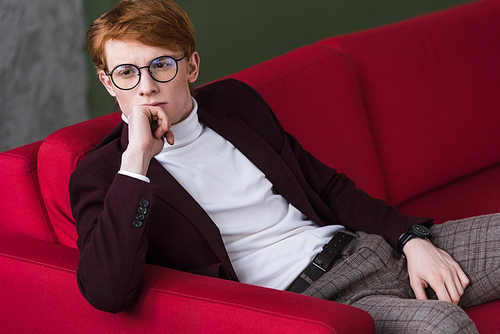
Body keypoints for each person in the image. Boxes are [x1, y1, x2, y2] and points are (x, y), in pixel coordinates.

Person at [70, 0, 500, 332]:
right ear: (108, 82)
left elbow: (326, 186)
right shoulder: (107, 174)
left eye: (161, 65)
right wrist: (137, 161)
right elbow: (107, 291)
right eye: (126, 73)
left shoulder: (236, 105)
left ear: (192, 66)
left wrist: (411, 239)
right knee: (443, 325)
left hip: (365, 247)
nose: (146, 87)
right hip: (316, 301)